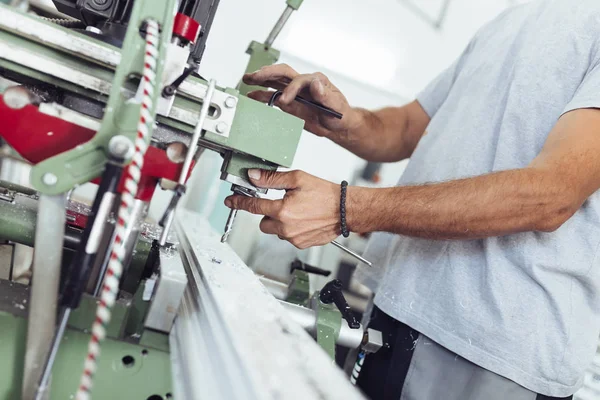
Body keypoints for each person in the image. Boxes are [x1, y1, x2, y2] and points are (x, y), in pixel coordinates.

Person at [225, 0, 600, 399]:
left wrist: (347, 208)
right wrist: (339, 120)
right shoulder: (514, 18)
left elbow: (551, 195)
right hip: (397, 310)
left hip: (492, 351)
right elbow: (404, 128)